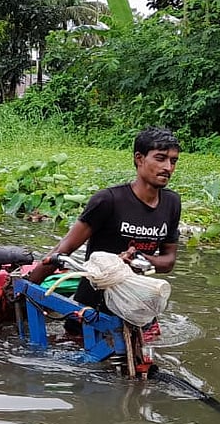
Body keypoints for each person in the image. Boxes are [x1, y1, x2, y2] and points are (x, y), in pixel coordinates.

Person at [26, 127, 182, 338]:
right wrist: (26, 287)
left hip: (138, 309)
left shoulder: (172, 203)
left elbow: (169, 260)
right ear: (139, 159)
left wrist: (139, 258)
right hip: (92, 309)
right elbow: (64, 249)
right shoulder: (109, 200)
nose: (168, 167)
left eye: (173, 161)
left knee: (144, 364)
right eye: (160, 158)